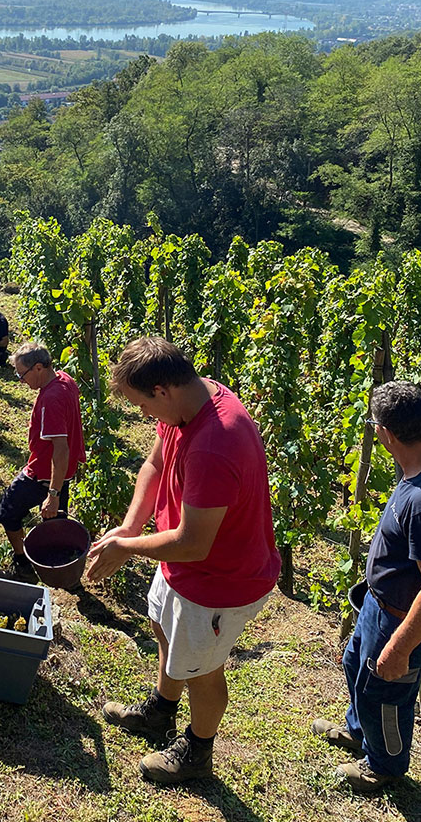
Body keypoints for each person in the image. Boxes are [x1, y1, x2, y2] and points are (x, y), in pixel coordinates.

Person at [86, 337, 280, 786]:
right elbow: (154, 465)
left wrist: (127, 550)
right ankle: (161, 711)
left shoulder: (216, 443)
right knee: (163, 628)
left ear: (161, 391)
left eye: (141, 405)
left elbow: (194, 544)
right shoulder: (192, 398)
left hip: (219, 580)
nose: (143, 415)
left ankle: (197, 751)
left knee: (203, 671)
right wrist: (132, 526)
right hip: (180, 563)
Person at [313, 381, 421, 794]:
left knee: (386, 694)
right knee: (355, 667)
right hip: (380, 606)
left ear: (385, 434)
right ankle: (359, 732)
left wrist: (399, 648)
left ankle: (384, 765)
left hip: (401, 620)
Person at [0, 341, 86, 579]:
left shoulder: (51, 399)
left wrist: (53, 494)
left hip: (44, 473)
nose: (20, 380)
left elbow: (60, 449)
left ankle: (23, 560)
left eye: (22, 374)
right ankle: (61, 569)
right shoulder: (64, 379)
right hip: (62, 473)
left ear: (38, 368)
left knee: (7, 512)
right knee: (55, 523)